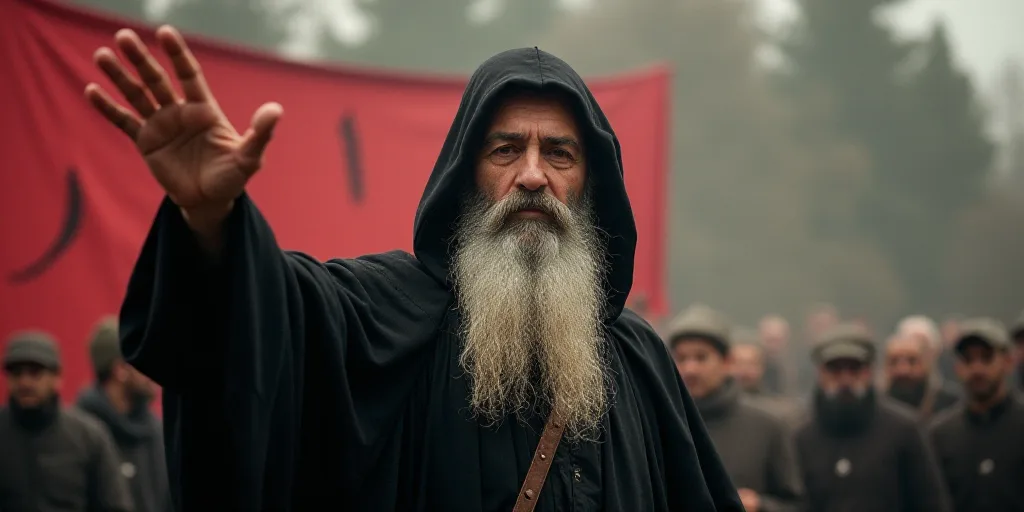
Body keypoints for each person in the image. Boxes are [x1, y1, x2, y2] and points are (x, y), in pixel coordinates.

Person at [83, 26, 743, 511]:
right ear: (465, 175)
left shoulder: (639, 359)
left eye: (560, 155)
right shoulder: (388, 313)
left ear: (590, 184)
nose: (533, 176)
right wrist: (211, 220)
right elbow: (269, 319)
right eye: (506, 149)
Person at [791, 323, 951, 512]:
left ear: (869, 372)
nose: (845, 379)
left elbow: (930, 503)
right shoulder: (801, 436)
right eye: (835, 370)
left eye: (854, 369)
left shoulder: (903, 430)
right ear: (820, 374)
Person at [668, 306, 805, 512]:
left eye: (701, 357)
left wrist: (760, 505)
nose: (690, 369)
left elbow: (796, 505)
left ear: (727, 362)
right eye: (682, 358)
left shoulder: (767, 426)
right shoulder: (662, 424)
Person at [0, 331, 134, 512]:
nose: (25, 382)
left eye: (35, 372)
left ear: (57, 377)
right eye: (16, 373)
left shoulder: (88, 436)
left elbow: (115, 505)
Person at [928, 318, 1024, 512]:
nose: (977, 369)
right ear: (957, 367)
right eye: (968, 360)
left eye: (986, 358)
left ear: (1008, 362)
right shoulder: (940, 434)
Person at [77, 317, 172, 512]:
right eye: (144, 361)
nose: (153, 369)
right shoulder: (79, 434)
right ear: (121, 369)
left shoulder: (158, 431)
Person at [882, 331, 960, 422]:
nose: (903, 370)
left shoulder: (951, 405)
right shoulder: (877, 411)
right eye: (894, 362)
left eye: (912, 361)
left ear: (927, 363)